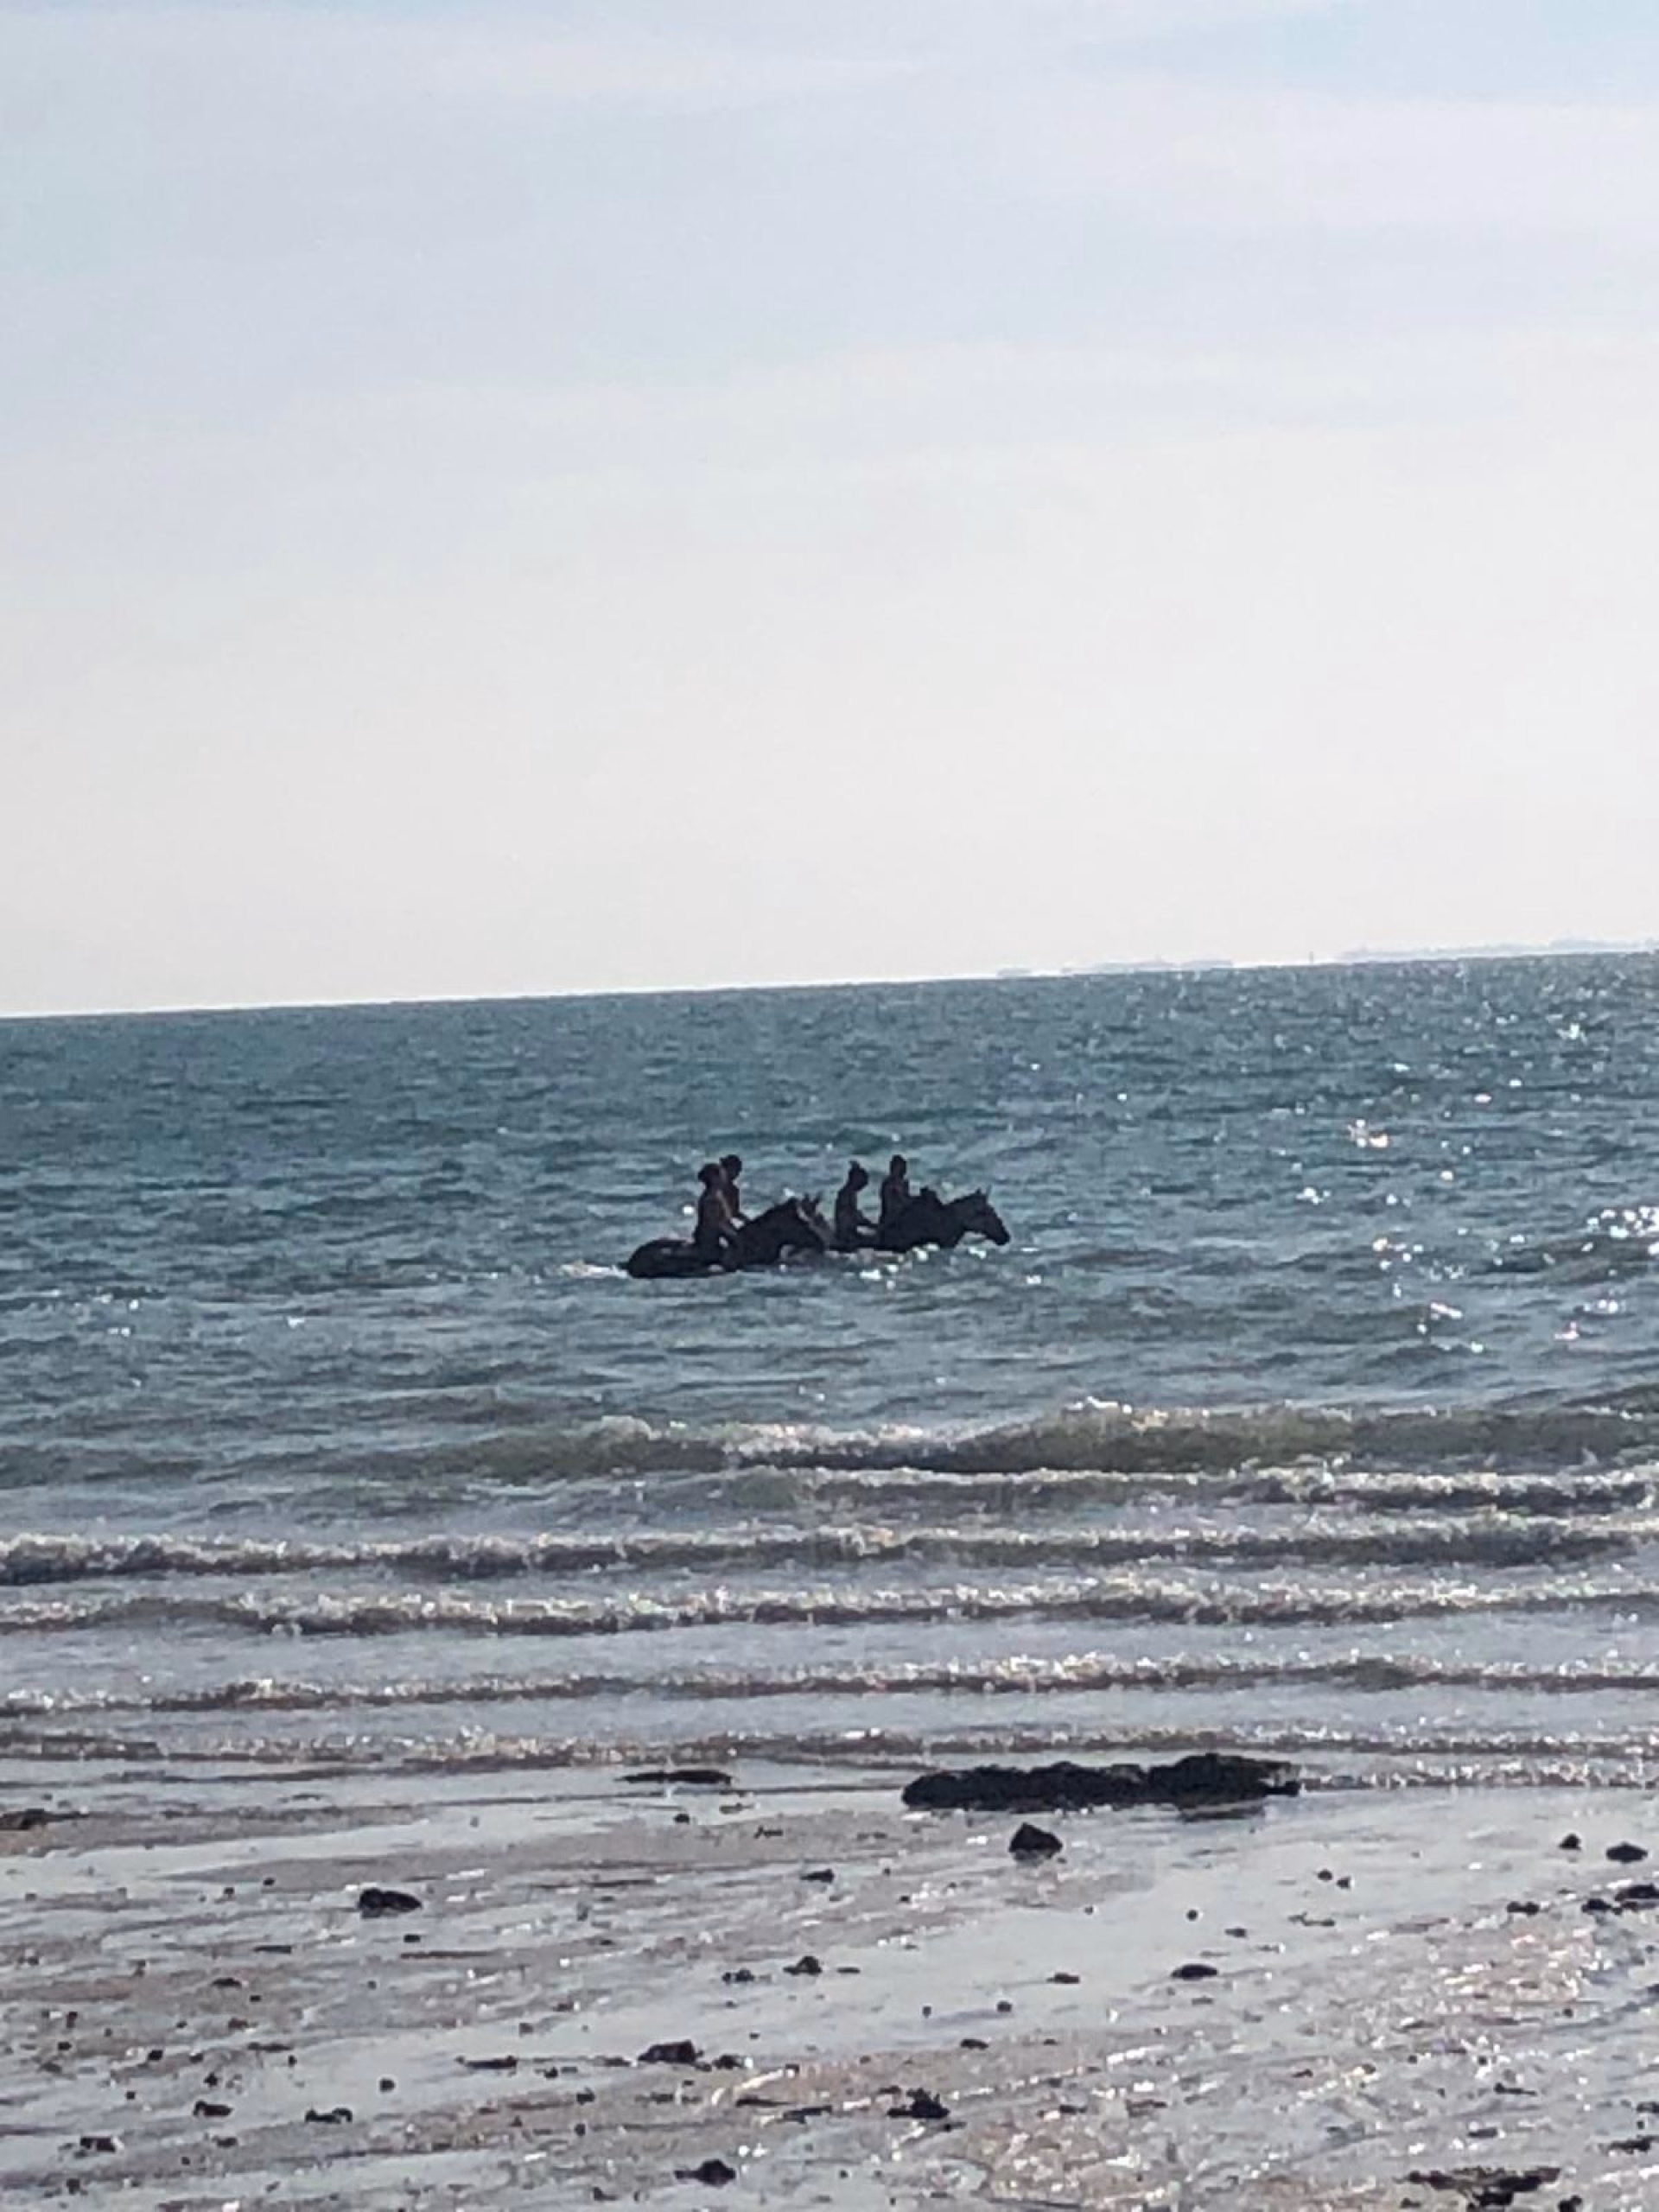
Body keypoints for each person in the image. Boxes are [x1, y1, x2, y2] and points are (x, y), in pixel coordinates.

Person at [693, 1162, 738, 1262]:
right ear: (714, 1179)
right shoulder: (711, 1200)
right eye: (721, 1175)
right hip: (708, 1241)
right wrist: (734, 1238)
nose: (725, 1177)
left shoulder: (718, 1196)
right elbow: (717, 1224)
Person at [833, 1160, 874, 1252]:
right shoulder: (846, 1195)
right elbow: (850, 1216)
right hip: (846, 1234)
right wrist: (868, 1224)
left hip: (849, 1231)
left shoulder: (850, 1194)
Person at [878, 1154, 912, 1235]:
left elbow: (906, 1198)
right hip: (891, 1216)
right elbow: (888, 1202)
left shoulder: (904, 1183)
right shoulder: (888, 1184)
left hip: (902, 1213)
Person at [718, 1154, 747, 1225]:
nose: (738, 1174)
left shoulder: (734, 1190)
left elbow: (734, 1213)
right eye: (736, 1170)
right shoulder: (715, 1186)